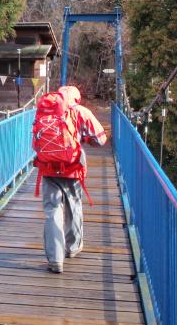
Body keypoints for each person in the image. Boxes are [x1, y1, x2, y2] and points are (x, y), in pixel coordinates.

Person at [34, 86, 107, 274]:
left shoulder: (45, 110)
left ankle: (55, 259)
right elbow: (101, 139)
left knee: (52, 211)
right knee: (74, 205)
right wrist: (86, 140)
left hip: (48, 167)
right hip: (72, 168)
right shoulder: (81, 111)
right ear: (77, 98)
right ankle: (72, 247)